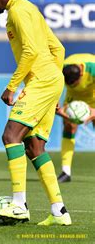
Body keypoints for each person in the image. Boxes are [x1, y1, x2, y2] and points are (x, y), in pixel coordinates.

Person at [0, 0, 71, 226]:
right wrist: (53, 85)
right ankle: (59, 212)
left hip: (43, 81)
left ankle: (19, 204)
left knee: (10, 136)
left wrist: (13, 86)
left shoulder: (18, 11)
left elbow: (31, 51)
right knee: (34, 147)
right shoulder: (29, 8)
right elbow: (58, 48)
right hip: (50, 81)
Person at [56, 53, 95, 183]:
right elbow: (52, 89)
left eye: (74, 83)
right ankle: (65, 171)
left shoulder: (92, 68)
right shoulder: (61, 69)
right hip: (74, 97)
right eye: (69, 84)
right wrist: (58, 108)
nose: (71, 85)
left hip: (93, 94)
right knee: (68, 126)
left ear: (82, 75)